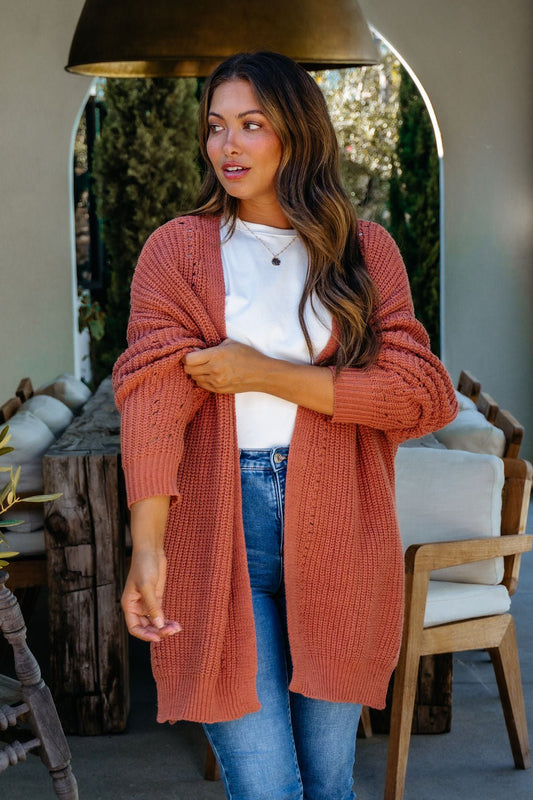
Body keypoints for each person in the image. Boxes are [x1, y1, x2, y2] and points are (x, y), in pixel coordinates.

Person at [113, 51, 458, 800]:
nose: (226, 146)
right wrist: (145, 547)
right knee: (265, 785)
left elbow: (421, 396)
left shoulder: (364, 253)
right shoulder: (177, 251)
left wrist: (259, 373)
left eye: (250, 125)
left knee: (330, 779)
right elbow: (150, 403)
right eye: (214, 128)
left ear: (297, 135)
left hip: (337, 526)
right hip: (212, 526)